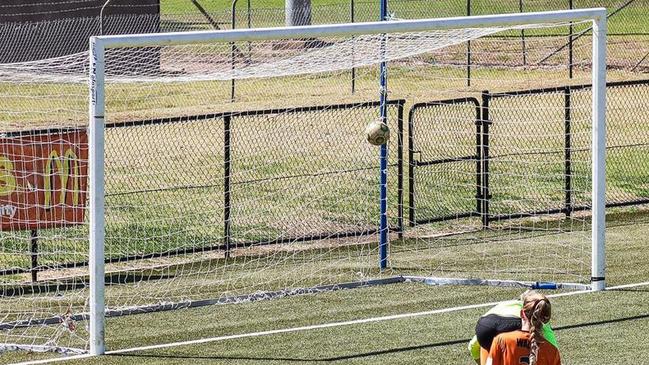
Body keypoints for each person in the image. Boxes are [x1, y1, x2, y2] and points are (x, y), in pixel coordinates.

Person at [468, 291, 558, 364]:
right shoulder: (551, 349)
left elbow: (473, 346)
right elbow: (551, 346)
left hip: (484, 327)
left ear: (522, 313)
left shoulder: (501, 340)